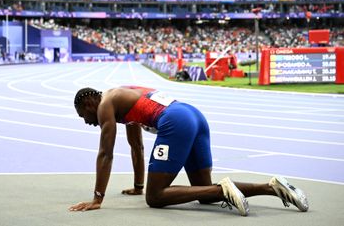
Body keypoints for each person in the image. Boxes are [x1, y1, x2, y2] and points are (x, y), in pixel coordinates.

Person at [69, 86, 309, 216]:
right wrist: (138, 187)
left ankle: (226, 188)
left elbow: (106, 153)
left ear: (89, 104)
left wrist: (97, 198)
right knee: (205, 191)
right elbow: (136, 147)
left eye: (83, 115)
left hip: (175, 121)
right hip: (194, 116)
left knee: (155, 197)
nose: (86, 121)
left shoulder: (105, 105)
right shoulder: (122, 100)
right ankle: (272, 187)